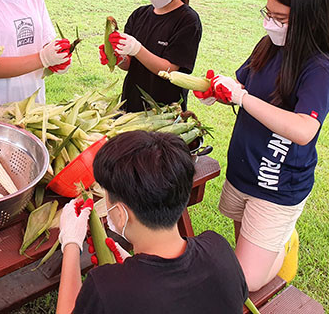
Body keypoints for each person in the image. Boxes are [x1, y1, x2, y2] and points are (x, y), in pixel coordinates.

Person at [196, 0, 329, 291]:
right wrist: (217, 91)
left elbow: (303, 129)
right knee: (244, 247)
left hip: (278, 184)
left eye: (280, 18)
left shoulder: (320, 69)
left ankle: (283, 244)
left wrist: (242, 97)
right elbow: (241, 83)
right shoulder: (268, 45)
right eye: (268, 13)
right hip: (244, 170)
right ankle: (271, 246)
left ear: (309, 19)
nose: (270, 24)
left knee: (247, 281)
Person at [56, 131, 248, 314]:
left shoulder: (108, 290)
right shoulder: (219, 249)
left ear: (121, 213)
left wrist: (71, 244)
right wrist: (132, 270)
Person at [99, 0, 202, 112]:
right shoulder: (139, 15)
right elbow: (129, 65)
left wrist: (137, 48)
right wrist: (118, 58)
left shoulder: (188, 21)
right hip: (132, 104)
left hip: (164, 111)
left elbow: (170, 70)